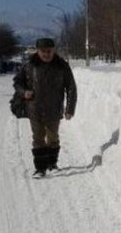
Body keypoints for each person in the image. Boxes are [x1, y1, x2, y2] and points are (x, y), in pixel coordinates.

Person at [13, 38, 77, 177]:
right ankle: (40, 168)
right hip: (34, 108)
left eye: (49, 51)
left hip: (54, 108)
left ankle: (52, 164)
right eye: (43, 51)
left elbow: (71, 87)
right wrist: (24, 92)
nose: (46, 54)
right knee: (38, 138)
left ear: (54, 50)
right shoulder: (29, 65)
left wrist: (70, 109)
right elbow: (17, 83)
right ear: (38, 51)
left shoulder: (62, 66)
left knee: (53, 137)